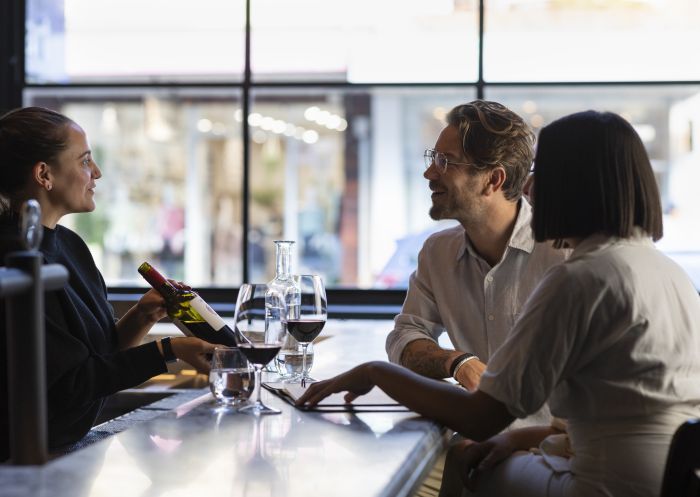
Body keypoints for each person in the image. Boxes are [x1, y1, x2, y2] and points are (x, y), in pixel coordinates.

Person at [299, 110, 700, 497]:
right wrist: (523, 436)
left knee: (460, 463)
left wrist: (376, 372)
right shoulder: (666, 271)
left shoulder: (578, 275)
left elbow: (482, 417)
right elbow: (630, 406)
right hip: (667, 479)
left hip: (600, 486)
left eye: (545, 173)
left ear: (576, 185)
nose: (528, 188)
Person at [0, 107, 216, 461]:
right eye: (85, 161)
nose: (96, 172)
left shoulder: (70, 246)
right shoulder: (13, 258)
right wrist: (169, 351)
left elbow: (99, 357)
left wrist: (142, 316)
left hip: (66, 446)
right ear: (44, 174)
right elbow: (69, 386)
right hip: (25, 457)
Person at [386, 100, 566, 392]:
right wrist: (456, 362)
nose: (430, 173)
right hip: (475, 433)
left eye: (445, 161)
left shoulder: (564, 252)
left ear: (492, 180)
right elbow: (404, 335)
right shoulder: (437, 252)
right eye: (433, 158)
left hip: (549, 438)